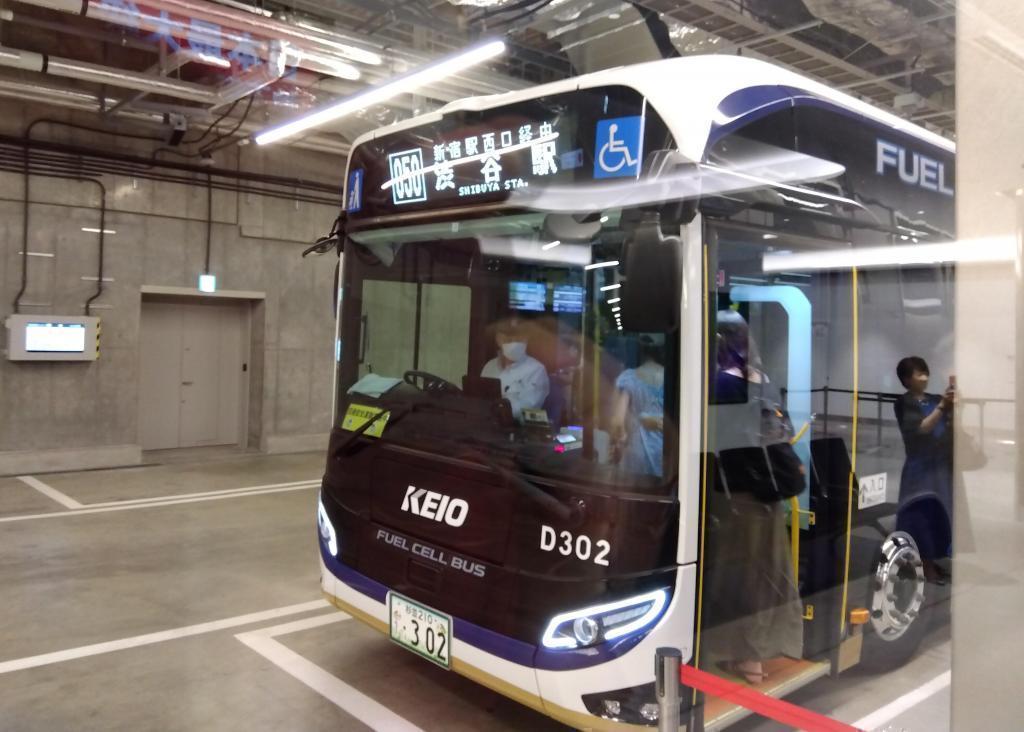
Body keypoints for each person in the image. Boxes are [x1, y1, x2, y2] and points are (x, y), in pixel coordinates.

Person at [704, 309, 803, 685]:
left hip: (734, 498)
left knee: (737, 577)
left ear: (718, 343)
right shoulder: (764, 380)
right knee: (767, 574)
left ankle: (744, 658)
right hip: (769, 495)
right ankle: (758, 656)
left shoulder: (719, 384)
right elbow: (782, 432)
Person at [893, 356, 956, 584]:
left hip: (940, 467)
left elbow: (949, 426)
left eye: (925, 372)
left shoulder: (936, 398)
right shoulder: (904, 403)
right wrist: (943, 407)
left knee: (939, 516)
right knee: (920, 518)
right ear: (907, 380)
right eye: (919, 374)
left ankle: (934, 561)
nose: (925, 378)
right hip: (919, 471)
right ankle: (924, 566)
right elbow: (919, 430)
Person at [610, 335, 665, 477]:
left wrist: (620, 440)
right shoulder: (673, 377)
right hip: (665, 451)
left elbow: (617, 421)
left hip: (638, 451)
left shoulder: (629, 378)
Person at [481, 317, 550, 420]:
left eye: (519, 339)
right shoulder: (489, 367)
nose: (514, 344)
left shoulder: (536, 370)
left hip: (517, 430)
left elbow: (528, 408)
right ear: (499, 339)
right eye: (509, 339)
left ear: (526, 339)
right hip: (486, 425)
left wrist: (498, 410)